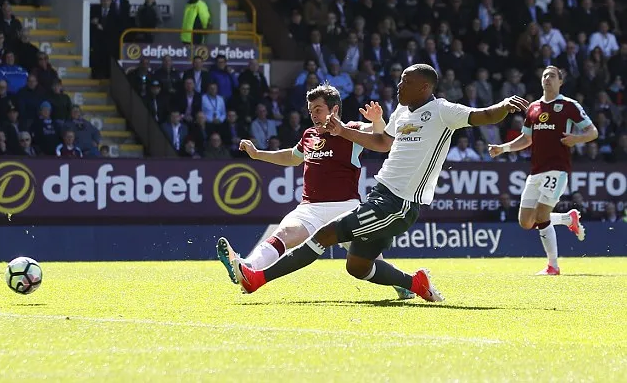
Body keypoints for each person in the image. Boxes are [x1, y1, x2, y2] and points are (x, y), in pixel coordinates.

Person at [229, 64, 528, 301]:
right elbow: (383, 140)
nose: (398, 86)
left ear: (424, 87)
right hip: (381, 196)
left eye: (406, 82)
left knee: (322, 237)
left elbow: (483, 116)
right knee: (356, 266)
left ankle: (257, 279)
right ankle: (416, 283)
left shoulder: (442, 111)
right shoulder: (400, 112)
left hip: (398, 204)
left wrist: (504, 105)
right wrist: (350, 131)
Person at [217, 86, 412, 300]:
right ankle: (246, 268)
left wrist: (376, 119)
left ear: (334, 109)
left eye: (318, 109)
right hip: (310, 209)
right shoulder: (309, 135)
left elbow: (379, 136)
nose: (313, 115)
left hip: (346, 209)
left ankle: (402, 282)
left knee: (369, 261)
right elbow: (292, 157)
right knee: (284, 234)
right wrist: (257, 154)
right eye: (311, 111)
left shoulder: (351, 130)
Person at [488, 66, 598, 275]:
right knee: (526, 221)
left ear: (560, 82)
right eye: (545, 75)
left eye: (552, 76)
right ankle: (567, 219)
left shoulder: (569, 106)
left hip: (557, 169)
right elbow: (526, 139)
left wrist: (578, 138)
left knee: (541, 214)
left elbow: (593, 131)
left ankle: (553, 266)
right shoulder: (533, 108)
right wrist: (503, 148)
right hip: (536, 171)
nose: (548, 78)